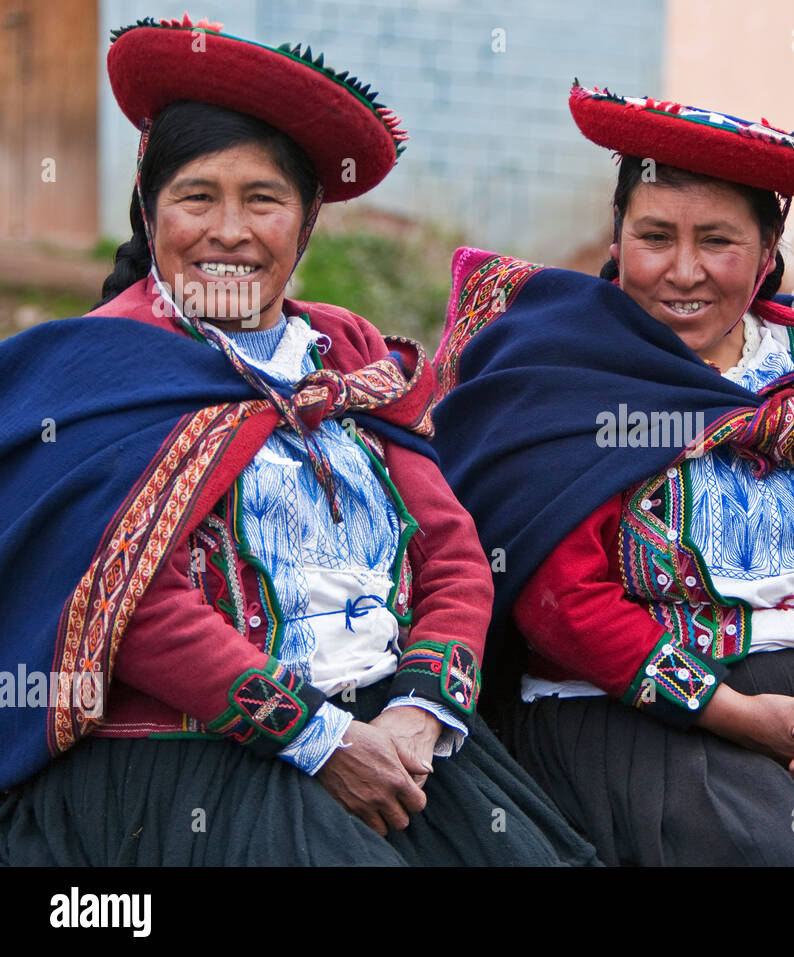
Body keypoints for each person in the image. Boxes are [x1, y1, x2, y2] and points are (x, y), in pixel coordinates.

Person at [0, 15, 595, 866]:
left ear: (307, 218)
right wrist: (318, 738)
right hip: (194, 756)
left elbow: (453, 555)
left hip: (387, 729)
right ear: (150, 209)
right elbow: (136, 606)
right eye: (197, 196)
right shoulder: (101, 370)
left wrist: (416, 713)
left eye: (264, 199)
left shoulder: (349, 357)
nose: (230, 231)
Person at [431, 84, 794, 865]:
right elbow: (560, 596)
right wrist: (736, 714)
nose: (682, 271)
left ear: (770, 252)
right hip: (627, 702)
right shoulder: (567, 363)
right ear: (616, 236)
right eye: (655, 236)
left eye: (718, 241)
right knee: (780, 854)